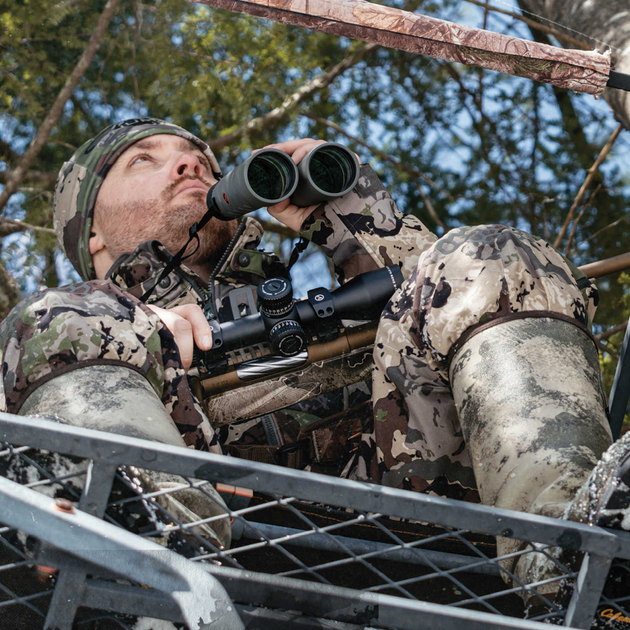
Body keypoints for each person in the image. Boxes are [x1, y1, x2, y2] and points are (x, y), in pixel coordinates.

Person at [0, 117, 628, 608]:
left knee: (491, 253)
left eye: (196, 158)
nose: (189, 162)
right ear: (92, 236)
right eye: (145, 160)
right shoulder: (66, 332)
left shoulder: (304, 297)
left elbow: (443, 298)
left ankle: (572, 560)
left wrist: (353, 216)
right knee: (61, 317)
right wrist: (130, 328)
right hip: (216, 565)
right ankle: (133, 552)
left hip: (431, 526)